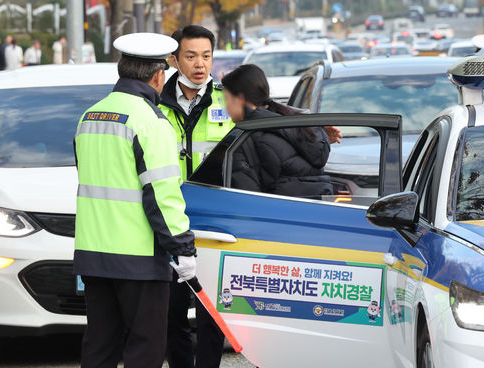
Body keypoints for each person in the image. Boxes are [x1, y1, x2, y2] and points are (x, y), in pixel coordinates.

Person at [74, 32, 196, 368]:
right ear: (159, 75)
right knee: (145, 347)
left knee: (100, 344)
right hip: (138, 258)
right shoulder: (151, 122)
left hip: (94, 253)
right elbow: (162, 195)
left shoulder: (90, 116)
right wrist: (182, 247)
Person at [159, 24, 231, 368]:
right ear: (174, 59)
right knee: (171, 314)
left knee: (211, 315)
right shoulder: (156, 102)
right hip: (169, 225)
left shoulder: (226, 99)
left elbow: (265, 113)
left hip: (216, 225)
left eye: (206, 56)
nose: (200, 64)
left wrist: (312, 128)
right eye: (190, 56)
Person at [222, 64, 335, 197]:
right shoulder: (296, 126)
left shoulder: (246, 138)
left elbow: (245, 199)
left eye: (226, 99)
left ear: (240, 99)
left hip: (277, 214)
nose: (226, 107)